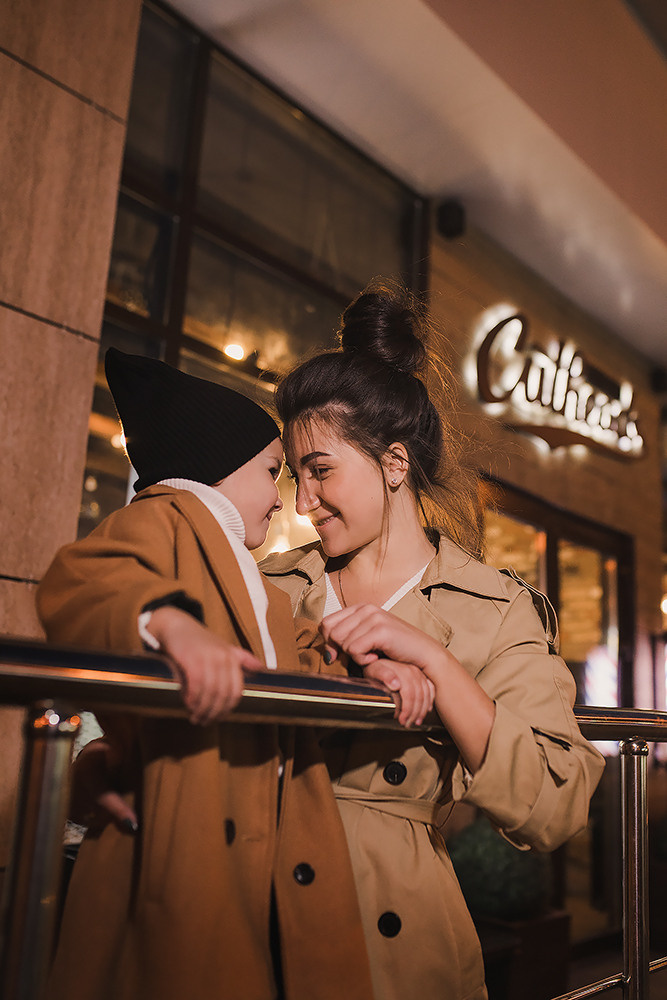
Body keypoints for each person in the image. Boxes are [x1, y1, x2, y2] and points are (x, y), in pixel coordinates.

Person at [259, 279, 606, 1000]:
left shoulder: (495, 609)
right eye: (295, 476)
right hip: (250, 906)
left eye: (320, 472)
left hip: (396, 939)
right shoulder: (270, 584)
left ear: (392, 464)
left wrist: (437, 666)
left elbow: (556, 805)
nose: (302, 502)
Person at [36, 349, 374, 1000]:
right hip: (176, 832)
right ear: (216, 467)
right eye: (272, 473)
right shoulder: (160, 519)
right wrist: (169, 625)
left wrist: (368, 666)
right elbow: (83, 581)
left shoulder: (253, 582)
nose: (283, 503)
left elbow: (297, 655)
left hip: (255, 841)